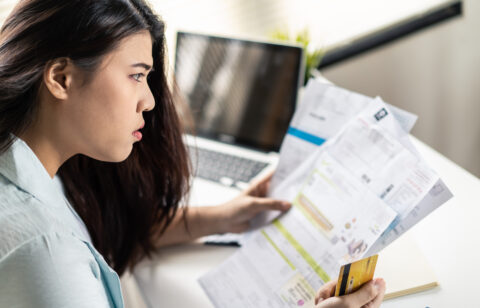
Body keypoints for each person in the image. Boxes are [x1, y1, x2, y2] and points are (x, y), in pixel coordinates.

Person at [0, 0, 386, 307]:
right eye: (136, 75)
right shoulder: (45, 255)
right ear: (61, 79)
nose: (149, 101)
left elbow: (108, 233)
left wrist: (222, 218)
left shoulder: (26, 170)